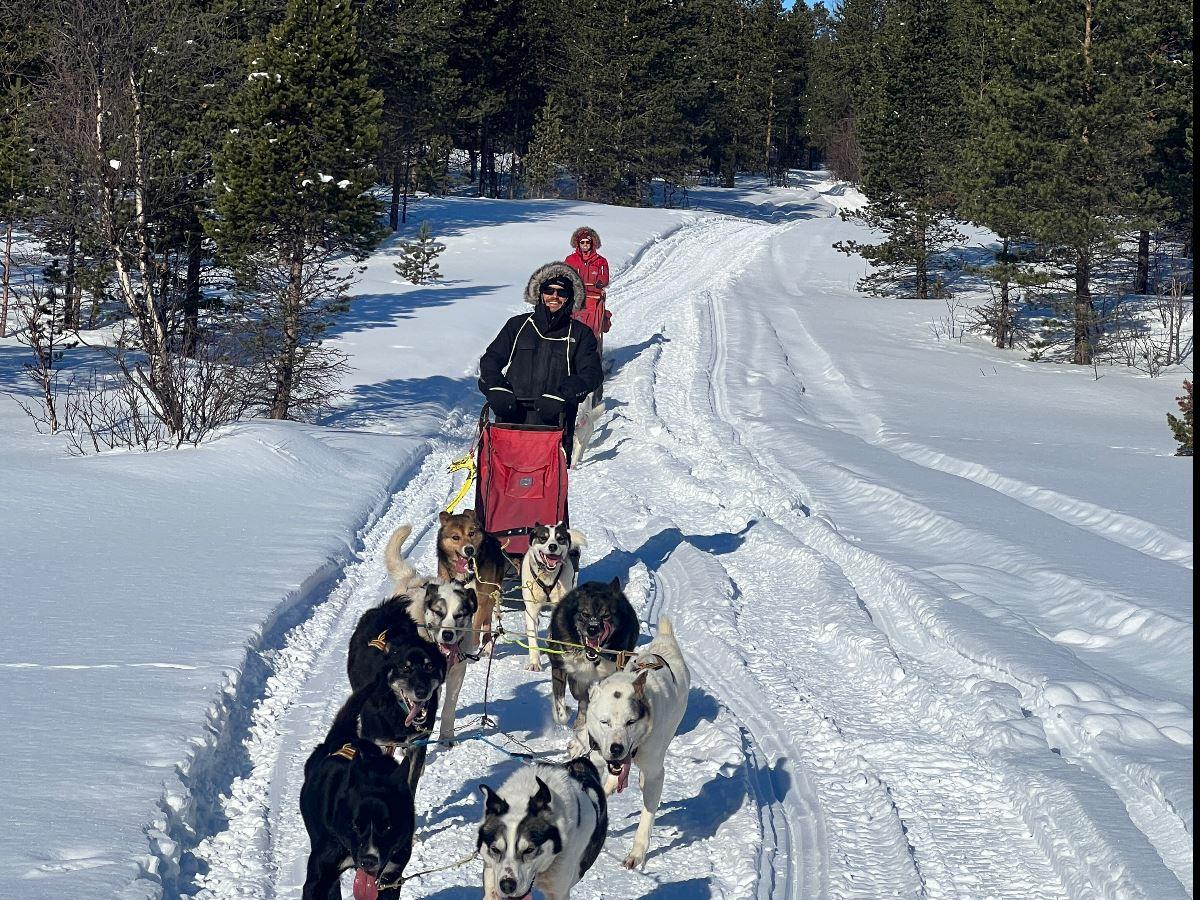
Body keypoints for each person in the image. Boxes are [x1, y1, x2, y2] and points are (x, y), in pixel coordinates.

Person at [478, 262, 602, 461]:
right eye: (549, 290)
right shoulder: (518, 325)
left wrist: (563, 395)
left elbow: (592, 374)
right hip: (512, 420)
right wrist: (497, 390)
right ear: (539, 293)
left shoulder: (580, 333)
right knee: (503, 476)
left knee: (547, 479)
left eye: (562, 292)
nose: (554, 296)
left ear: (570, 297)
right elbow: (490, 360)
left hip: (555, 424)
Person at [564, 227, 611, 338]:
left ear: (592, 243)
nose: (585, 244)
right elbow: (564, 274)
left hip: (593, 296)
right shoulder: (570, 259)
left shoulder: (601, 261)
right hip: (575, 295)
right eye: (582, 242)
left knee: (592, 320)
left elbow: (605, 277)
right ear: (578, 243)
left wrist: (600, 282)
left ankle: (590, 339)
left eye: (587, 242)